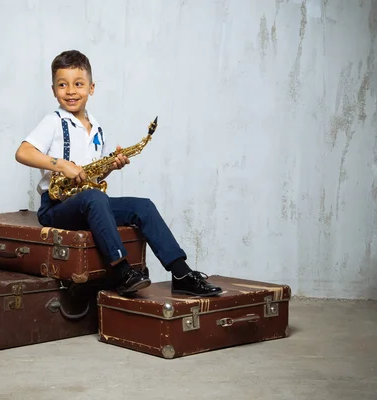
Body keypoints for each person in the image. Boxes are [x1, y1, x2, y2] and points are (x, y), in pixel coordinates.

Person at [15, 49, 222, 297]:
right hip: (57, 209)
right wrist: (62, 165)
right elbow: (23, 152)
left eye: (78, 84)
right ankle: (122, 271)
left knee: (142, 207)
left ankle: (181, 273)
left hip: (89, 203)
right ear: (53, 90)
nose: (71, 91)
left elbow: (94, 180)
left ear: (91, 88)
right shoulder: (53, 121)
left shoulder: (97, 128)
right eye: (63, 85)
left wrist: (110, 167)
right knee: (95, 198)